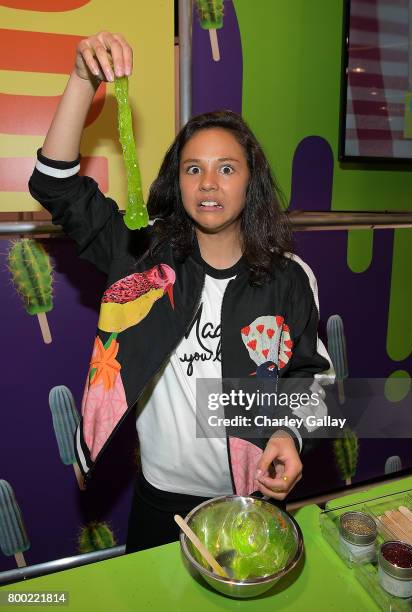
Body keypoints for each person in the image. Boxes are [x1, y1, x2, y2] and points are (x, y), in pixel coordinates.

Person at [28, 31, 333, 552]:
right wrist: (83, 80)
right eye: (194, 168)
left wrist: (289, 435)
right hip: (161, 504)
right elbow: (55, 185)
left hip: (250, 501)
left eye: (226, 168)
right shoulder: (140, 257)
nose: (209, 182)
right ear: (179, 181)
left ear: (250, 182)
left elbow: (312, 378)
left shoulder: (289, 277)